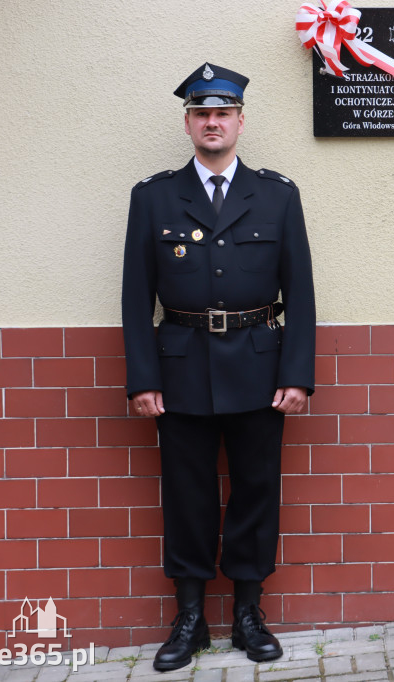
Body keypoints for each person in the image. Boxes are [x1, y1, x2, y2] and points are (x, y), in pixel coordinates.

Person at [122, 63, 316, 669]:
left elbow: (302, 293)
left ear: (239, 121)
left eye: (223, 113)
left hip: (260, 367)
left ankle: (249, 614)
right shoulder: (153, 197)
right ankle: (189, 619)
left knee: (257, 492)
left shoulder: (278, 195)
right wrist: (143, 378)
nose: (213, 122)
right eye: (202, 113)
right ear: (187, 123)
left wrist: (297, 373)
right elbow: (134, 297)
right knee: (188, 497)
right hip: (179, 369)